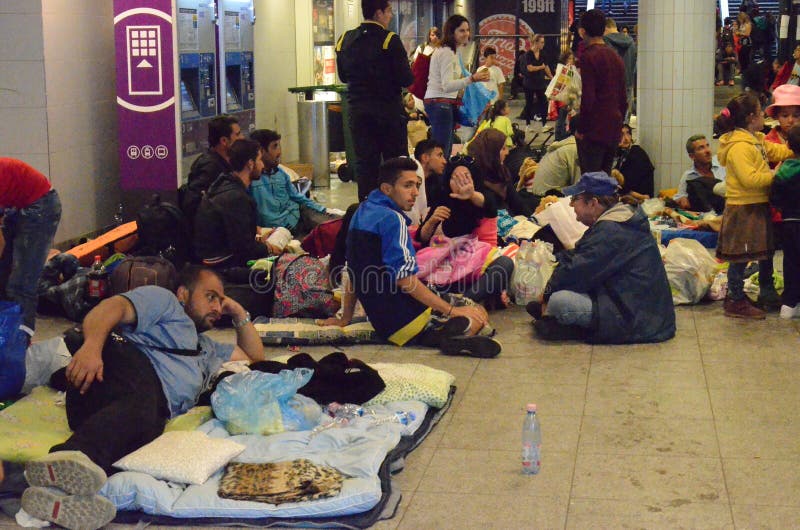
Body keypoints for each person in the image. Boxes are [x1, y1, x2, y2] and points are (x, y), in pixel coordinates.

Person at [15, 265, 264, 529]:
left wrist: (237, 311)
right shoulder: (164, 301)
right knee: (146, 405)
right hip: (105, 374)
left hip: (118, 413)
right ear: (183, 293)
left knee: (149, 426)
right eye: (210, 297)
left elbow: (255, 357)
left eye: (220, 301)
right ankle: (68, 456)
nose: (216, 307)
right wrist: (91, 348)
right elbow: (108, 310)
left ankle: (57, 496)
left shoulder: (207, 348)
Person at [321, 157, 501, 358]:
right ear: (387, 189)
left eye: (417, 185)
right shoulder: (393, 219)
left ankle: (446, 332)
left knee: (466, 309)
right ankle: (447, 335)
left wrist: (345, 318)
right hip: (406, 320)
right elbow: (405, 280)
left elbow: (353, 270)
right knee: (475, 312)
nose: (415, 192)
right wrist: (451, 311)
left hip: (384, 324)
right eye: (408, 186)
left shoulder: (360, 212)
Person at [527, 171, 676, 343]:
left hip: (636, 318)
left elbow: (576, 271)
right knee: (558, 289)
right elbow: (579, 256)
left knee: (560, 301)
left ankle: (563, 325)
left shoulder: (611, 230)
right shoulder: (617, 221)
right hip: (639, 308)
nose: (571, 205)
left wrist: (545, 295)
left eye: (575, 200)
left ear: (593, 203)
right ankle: (553, 318)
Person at [715, 93, 793, 319]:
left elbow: (775, 151)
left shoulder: (754, 139)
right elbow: (749, 179)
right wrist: (774, 174)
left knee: (749, 252)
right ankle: (735, 299)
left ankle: (738, 295)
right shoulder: (740, 146)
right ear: (751, 117)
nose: (763, 115)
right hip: (743, 208)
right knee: (741, 256)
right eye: (760, 112)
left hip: (754, 205)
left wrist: (793, 150)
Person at [336, 0, 414, 201]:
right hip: (388, 113)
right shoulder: (389, 40)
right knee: (396, 164)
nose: (391, 16)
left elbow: (344, 76)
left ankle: (367, 208)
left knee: (365, 165)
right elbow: (406, 78)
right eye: (388, 11)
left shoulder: (345, 39)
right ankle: (397, 208)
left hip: (358, 113)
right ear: (379, 13)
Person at [0, 158, 62, 336]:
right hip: (17, 205)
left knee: (21, 282)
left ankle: (20, 342)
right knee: (4, 279)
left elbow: (0, 243)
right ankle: (6, 334)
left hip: (41, 206)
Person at [192, 139, 276, 269]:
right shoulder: (236, 198)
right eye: (259, 160)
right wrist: (269, 248)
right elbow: (244, 249)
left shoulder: (223, 186)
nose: (262, 165)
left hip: (218, 261)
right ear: (250, 164)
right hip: (224, 268)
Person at [249, 129, 340, 238]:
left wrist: (324, 210)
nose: (279, 152)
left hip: (296, 218)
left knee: (335, 226)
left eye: (279, 146)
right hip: (277, 231)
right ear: (261, 151)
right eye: (275, 146)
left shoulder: (281, 174)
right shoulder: (252, 180)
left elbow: (297, 197)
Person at [424, 14, 490, 158]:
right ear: (451, 32)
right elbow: (447, 86)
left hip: (441, 103)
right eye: (461, 30)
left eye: (467, 30)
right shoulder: (447, 52)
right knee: (442, 153)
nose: (466, 33)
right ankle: (438, 180)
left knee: (444, 151)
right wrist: (472, 78)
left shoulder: (451, 51)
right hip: (440, 104)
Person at [575, 9, 627, 174]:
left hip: (595, 129)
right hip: (613, 127)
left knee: (591, 181)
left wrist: (581, 129)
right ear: (604, 30)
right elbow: (623, 98)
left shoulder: (588, 56)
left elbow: (588, 98)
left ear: (582, 32)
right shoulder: (615, 56)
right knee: (605, 179)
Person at [179, 115, 243, 223]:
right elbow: (192, 204)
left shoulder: (226, 163)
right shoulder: (210, 167)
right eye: (238, 134)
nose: (242, 138)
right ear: (224, 141)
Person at [770, 125, 800, 319]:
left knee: (790, 262)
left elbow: (775, 199)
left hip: (789, 223)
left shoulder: (783, 171)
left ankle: (789, 304)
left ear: (788, 144)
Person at [529, 116, 582, 197]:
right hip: (548, 198)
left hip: (541, 193)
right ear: (579, 133)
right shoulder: (574, 149)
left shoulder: (566, 143)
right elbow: (580, 185)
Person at [674, 134, 727, 213]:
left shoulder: (722, 164)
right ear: (692, 156)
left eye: (707, 146)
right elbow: (680, 196)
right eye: (701, 148)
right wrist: (682, 199)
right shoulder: (688, 176)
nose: (708, 151)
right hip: (706, 216)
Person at [603, 17, 637, 120]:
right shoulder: (631, 42)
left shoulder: (605, 42)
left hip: (611, 87)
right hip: (628, 84)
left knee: (610, 122)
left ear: (606, 28)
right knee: (624, 122)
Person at [411, 138, 447, 227]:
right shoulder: (408, 181)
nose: (444, 161)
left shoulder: (437, 184)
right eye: (439, 155)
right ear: (425, 157)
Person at [520, 34, 553, 131]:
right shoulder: (528, 54)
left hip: (540, 82)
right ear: (536, 43)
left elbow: (546, 66)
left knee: (543, 102)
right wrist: (541, 67)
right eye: (542, 42)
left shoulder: (543, 54)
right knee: (529, 103)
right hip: (529, 83)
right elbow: (530, 68)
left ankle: (544, 125)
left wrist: (551, 77)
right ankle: (528, 125)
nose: (543, 44)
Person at [614, 124, 654, 197]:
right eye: (622, 134)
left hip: (640, 199)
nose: (626, 138)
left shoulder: (636, 153)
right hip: (629, 195)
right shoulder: (622, 154)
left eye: (628, 133)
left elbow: (627, 184)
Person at [764, 84, 800, 148]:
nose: (790, 120)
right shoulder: (768, 143)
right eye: (785, 116)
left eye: (796, 116)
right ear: (776, 116)